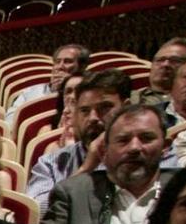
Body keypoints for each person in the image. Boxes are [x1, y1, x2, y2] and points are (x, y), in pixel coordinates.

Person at [43, 104, 183, 224]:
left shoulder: (185, 189)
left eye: (146, 138)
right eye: (123, 140)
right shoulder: (73, 193)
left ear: (165, 147)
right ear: (104, 150)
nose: (134, 148)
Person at [26, 70, 136, 211]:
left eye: (104, 108)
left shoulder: (145, 155)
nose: (93, 118)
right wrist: (86, 168)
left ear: (126, 108)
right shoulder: (52, 164)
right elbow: (38, 213)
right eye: (85, 110)